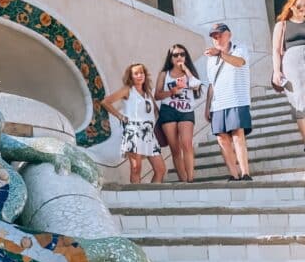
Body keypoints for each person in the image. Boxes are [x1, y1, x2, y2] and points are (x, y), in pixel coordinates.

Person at [102, 63, 166, 184]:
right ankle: (138, 198)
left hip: (149, 134)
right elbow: (106, 102)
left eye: (141, 72)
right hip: (133, 132)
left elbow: (155, 112)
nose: (139, 75)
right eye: (136, 73)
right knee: (136, 169)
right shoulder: (127, 90)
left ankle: (150, 196)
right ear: (131, 77)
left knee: (160, 169)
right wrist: (120, 116)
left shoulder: (147, 92)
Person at [204, 22, 252, 181]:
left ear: (228, 34)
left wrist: (219, 54)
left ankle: (245, 173)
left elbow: (239, 62)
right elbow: (212, 84)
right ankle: (233, 174)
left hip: (237, 99)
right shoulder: (210, 59)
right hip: (218, 103)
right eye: (214, 36)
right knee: (222, 139)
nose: (217, 37)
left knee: (238, 134)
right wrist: (207, 106)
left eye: (219, 34)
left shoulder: (239, 48)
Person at [154, 45, 203, 183]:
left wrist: (186, 69)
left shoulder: (190, 73)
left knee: (187, 144)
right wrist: (171, 92)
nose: (179, 57)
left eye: (182, 54)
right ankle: (184, 180)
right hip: (168, 111)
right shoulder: (164, 74)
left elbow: (196, 85)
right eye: (175, 55)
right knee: (175, 149)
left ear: (185, 56)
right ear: (170, 58)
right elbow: (157, 95)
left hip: (186, 110)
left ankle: (191, 179)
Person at [272, 0, 305, 149]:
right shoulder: (282, 25)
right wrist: (277, 71)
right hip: (292, 64)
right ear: (291, 7)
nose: (303, 11)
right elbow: (276, 50)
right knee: (300, 104)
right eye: (300, 7)